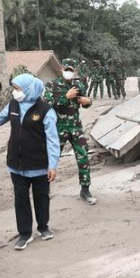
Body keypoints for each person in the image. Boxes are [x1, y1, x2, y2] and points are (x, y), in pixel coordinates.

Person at [0, 74, 60, 250]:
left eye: (17, 88)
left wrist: (53, 165)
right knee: (20, 199)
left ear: (29, 89)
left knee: (42, 197)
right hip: (16, 164)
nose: (15, 92)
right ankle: (25, 233)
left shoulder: (46, 110)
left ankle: (43, 227)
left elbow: (53, 141)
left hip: (39, 165)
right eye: (14, 88)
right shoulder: (13, 105)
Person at [44, 58, 97, 205]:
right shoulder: (51, 85)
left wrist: (88, 102)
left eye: (71, 70)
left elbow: (83, 102)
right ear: (61, 69)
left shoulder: (79, 84)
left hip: (76, 127)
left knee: (83, 157)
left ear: (75, 71)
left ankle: (85, 190)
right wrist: (65, 97)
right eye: (66, 70)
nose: (68, 72)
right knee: (53, 158)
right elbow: (48, 106)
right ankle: (45, 189)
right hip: (58, 127)